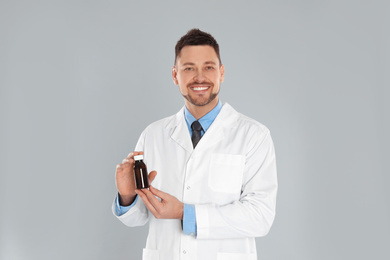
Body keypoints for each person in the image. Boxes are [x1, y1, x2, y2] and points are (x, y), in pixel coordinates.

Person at [113, 28, 278, 260]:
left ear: (221, 73)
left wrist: (185, 213)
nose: (199, 77)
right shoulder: (153, 135)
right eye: (189, 68)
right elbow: (140, 216)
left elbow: (260, 217)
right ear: (174, 75)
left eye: (208, 67)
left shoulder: (253, 135)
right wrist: (127, 196)